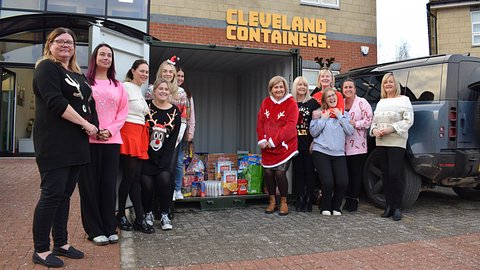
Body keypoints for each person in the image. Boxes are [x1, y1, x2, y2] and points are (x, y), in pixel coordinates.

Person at [32, 27, 98, 268]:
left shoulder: (77, 75)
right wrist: (86, 124)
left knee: (65, 195)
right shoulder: (46, 68)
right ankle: (40, 249)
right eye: (59, 41)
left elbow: (88, 105)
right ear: (50, 45)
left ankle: (61, 242)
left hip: (76, 143)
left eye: (69, 42)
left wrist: (96, 126)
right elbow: (56, 102)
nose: (65, 45)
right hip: (54, 142)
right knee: (52, 194)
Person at [78, 43, 129, 245]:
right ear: (95, 57)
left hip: (112, 140)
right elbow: (79, 109)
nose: (106, 58)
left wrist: (110, 130)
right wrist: (92, 128)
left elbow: (123, 112)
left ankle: (109, 227)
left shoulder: (118, 85)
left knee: (108, 186)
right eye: (102, 54)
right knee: (89, 186)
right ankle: (94, 229)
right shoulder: (84, 82)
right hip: (88, 139)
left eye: (109, 55)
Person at [370, 73, 414, 221]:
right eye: (385, 83)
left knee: (395, 174)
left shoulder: (404, 100)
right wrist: (374, 130)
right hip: (381, 141)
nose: (388, 84)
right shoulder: (381, 102)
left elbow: (408, 121)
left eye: (390, 82)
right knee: (386, 174)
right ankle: (388, 206)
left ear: (396, 84)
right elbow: (374, 121)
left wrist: (391, 129)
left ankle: (397, 207)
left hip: (396, 141)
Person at [117, 59, 154, 233]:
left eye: (147, 72)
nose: (145, 74)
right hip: (128, 133)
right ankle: (121, 215)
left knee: (135, 178)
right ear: (133, 71)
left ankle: (139, 218)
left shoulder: (139, 90)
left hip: (140, 134)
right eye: (142, 71)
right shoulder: (124, 87)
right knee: (129, 177)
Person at [141, 78, 181, 230]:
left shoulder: (175, 111)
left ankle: (165, 214)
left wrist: (165, 159)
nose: (163, 91)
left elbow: (173, 139)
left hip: (164, 157)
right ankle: (148, 213)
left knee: (164, 180)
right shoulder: (147, 107)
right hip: (146, 155)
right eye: (160, 89)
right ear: (154, 91)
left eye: (166, 89)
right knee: (146, 183)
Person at [256, 76, 299, 216]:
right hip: (267, 146)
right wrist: (262, 140)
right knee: (268, 172)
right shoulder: (266, 102)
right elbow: (260, 122)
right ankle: (272, 201)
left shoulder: (291, 103)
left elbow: (290, 127)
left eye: (281, 87)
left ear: (285, 88)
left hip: (285, 145)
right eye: (276, 87)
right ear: (271, 89)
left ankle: (284, 202)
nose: (279, 89)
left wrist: (274, 140)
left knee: (280, 172)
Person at [310, 88, 353, 216]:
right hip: (321, 152)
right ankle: (325, 206)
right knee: (328, 182)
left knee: (342, 181)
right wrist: (323, 119)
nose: (332, 98)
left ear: (337, 97)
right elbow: (313, 132)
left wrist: (340, 116)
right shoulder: (318, 113)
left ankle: (336, 206)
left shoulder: (344, 114)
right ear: (324, 100)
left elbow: (350, 131)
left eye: (333, 95)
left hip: (338, 153)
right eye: (328, 96)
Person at [342, 78, 372, 212]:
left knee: (355, 173)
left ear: (355, 89)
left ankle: (353, 199)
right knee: (345, 174)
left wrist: (356, 124)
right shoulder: (340, 103)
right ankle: (346, 197)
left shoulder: (362, 102)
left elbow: (369, 120)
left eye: (350, 87)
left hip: (358, 145)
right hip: (341, 146)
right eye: (345, 87)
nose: (348, 89)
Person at [291, 76, 319, 212]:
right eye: (299, 85)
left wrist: (314, 141)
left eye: (304, 85)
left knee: (309, 172)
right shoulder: (290, 103)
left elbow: (319, 124)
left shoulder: (313, 103)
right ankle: (300, 198)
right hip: (294, 143)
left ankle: (309, 200)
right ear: (295, 87)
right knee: (298, 172)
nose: (302, 87)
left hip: (308, 143)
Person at [173, 66, 196, 201]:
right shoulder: (167, 90)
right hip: (168, 132)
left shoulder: (187, 94)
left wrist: (191, 132)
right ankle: (169, 189)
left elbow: (192, 115)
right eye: (178, 75)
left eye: (182, 76)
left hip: (182, 132)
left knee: (179, 162)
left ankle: (177, 189)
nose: (180, 78)